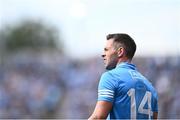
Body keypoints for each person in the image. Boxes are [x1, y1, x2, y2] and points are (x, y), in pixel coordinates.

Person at [88, 33, 158, 119]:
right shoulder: (150, 87)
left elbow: (98, 117)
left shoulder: (111, 77)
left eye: (106, 50)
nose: (103, 54)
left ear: (120, 52)